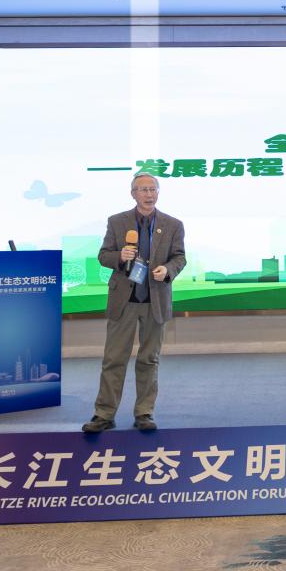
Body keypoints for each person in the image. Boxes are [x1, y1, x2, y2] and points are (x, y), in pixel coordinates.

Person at [82, 173, 185, 433]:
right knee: (114, 359)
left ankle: (144, 413)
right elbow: (103, 256)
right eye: (143, 190)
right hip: (124, 301)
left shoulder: (173, 224)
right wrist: (120, 255)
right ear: (133, 194)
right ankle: (104, 414)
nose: (149, 194)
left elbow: (179, 257)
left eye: (153, 189)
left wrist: (168, 269)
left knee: (149, 360)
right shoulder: (117, 222)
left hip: (155, 300)